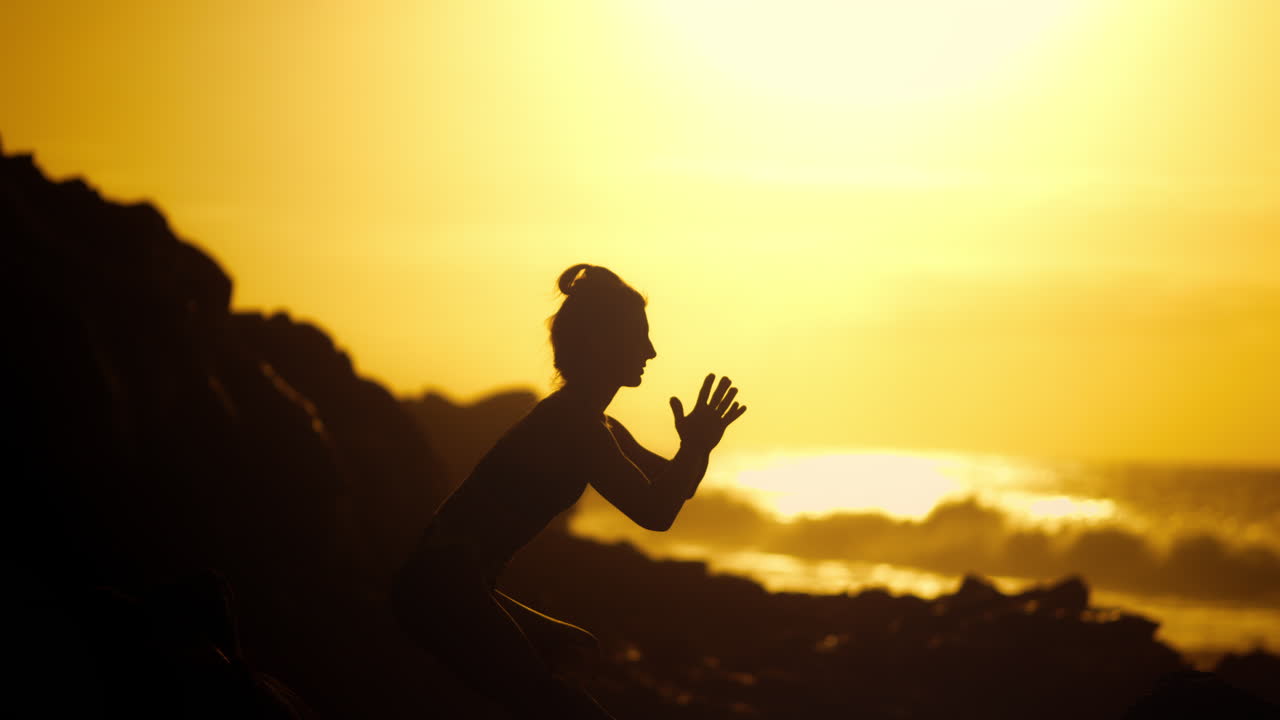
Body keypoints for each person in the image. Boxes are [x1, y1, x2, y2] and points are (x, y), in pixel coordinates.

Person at [391, 263, 748, 718]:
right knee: (555, 701)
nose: (652, 351)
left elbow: (674, 487)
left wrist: (696, 448)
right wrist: (694, 448)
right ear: (602, 344)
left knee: (576, 650)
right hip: (442, 588)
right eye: (639, 337)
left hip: (461, 584)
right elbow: (657, 513)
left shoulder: (595, 423)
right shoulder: (576, 426)